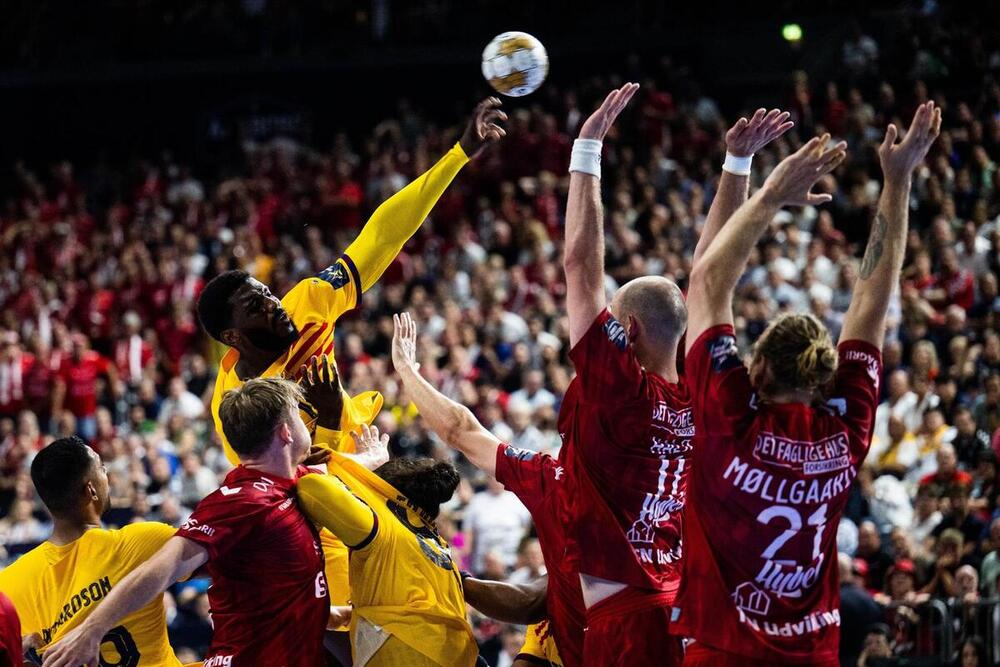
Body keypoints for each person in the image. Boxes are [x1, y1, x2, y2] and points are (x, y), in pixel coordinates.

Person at [196, 98, 506, 621]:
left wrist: (458, 154)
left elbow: (380, 237)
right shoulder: (237, 408)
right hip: (317, 514)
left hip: (364, 460)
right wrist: (334, 420)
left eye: (267, 291)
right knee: (354, 622)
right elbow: (288, 489)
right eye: (256, 306)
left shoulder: (308, 302)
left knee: (433, 583)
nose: (274, 302)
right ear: (232, 335)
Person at [677, 101, 940, 666]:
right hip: (813, 654)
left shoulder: (731, 416)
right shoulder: (844, 432)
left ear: (761, 370)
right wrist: (899, 181)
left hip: (721, 652)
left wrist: (771, 194)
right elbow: (873, 299)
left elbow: (704, 284)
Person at [561, 85, 794, 665]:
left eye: (612, 324)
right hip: (680, 607)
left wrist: (586, 150)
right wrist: (736, 164)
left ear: (629, 333)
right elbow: (714, 273)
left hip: (624, 620)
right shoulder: (700, 391)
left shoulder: (622, 390)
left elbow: (579, 267)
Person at [42, 377, 378, 667]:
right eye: (300, 418)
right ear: (287, 432)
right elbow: (164, 567)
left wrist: (371, 459)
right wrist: (92, 631)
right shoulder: (240, 501)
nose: (308, 426)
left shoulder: (290, 483)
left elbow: (330, 475)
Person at [390, 311, 584, 666]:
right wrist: (458, 571)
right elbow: (534, 595)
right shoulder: (478, 503)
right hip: (494, 570)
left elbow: (461, 431)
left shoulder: (549, 483)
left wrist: (406, 371)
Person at [297, 431, 477, 666]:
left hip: (409, 655)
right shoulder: (434, 540)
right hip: (456, 654)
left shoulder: (382, 524)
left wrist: (361, 464)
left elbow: (311, 487)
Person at [0, 436, 180, 666]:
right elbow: (221, 555)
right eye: (102, 469)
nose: (107, 476)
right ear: (91, 490)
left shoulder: (8, 584)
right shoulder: (142, 542)